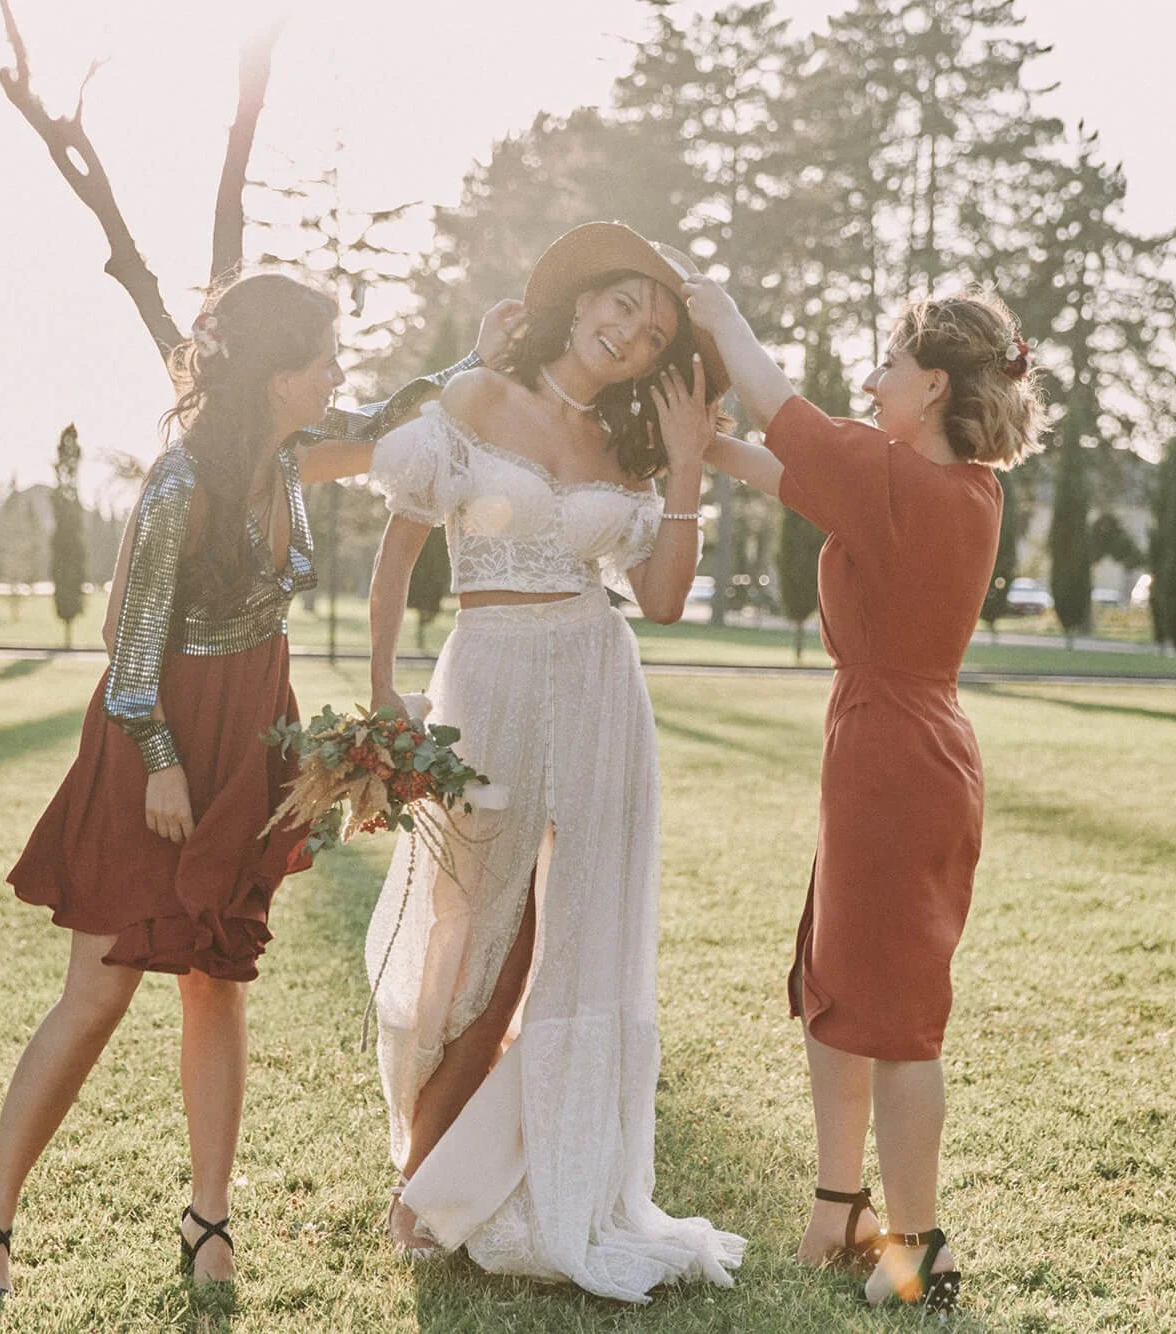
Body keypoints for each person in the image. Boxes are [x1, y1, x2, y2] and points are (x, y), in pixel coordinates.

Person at [0, 270, 508, 1300]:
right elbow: (127, 641)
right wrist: (158, 764)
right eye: (323, 359)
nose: (337, 373)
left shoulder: (290, 452)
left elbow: (390, 416)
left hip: (251, 728)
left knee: (218, 975)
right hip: (155, 737)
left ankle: (210, 1217)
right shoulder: (178, 483)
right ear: (277, 374)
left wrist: (481, 356)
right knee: (99, 990)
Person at [362, 222, 745, 1301]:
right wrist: (383, 682)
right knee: (469, 924)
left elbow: (662, 598)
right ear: (579, 300)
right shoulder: (476, 398)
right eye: (621, 304)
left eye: (653, 329)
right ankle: (423, 1171)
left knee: (580, 929)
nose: (629, 331)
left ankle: (542, 1173)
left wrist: (679, 466)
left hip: (595, 681)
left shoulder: (630, 445)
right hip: (483, 676)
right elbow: (398, 547)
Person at [684, 274, 1043, 1311]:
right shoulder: (941, 488)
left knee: (898, 1019)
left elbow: (785, 418)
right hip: (893, 752)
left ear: (930, 385)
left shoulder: (907, 487)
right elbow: (793, 468)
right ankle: (838, 1209)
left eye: (888, 365)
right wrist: (710, 449)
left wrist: (723, 314)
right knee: (839, 991)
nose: (872, 379)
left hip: (895, 762)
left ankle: (913, 1257)